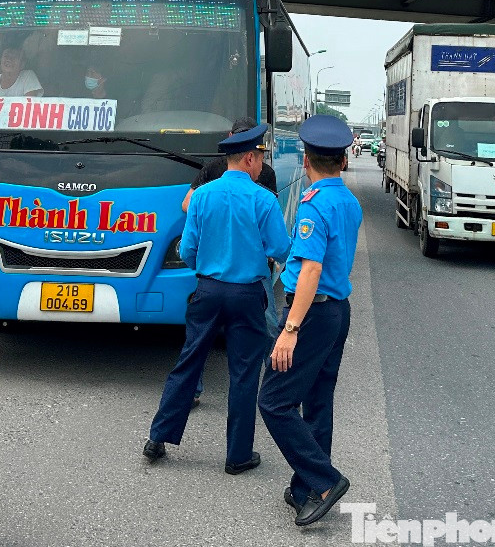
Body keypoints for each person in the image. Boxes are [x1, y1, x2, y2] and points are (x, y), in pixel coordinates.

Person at [143, 124, 291, 475]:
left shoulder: (203, 195)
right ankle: (238, 456)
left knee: (189, 362)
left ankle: (158, 437)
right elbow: (280, 249)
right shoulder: (264, 199)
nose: (261, 166)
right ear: (250, 158)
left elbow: (189, 251)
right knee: (242, 372)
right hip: (247, 294)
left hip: (207, 290)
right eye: (260, 159)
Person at [258, 115, 362, 528]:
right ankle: (305, 489)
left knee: (274, 401)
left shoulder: (314, 205)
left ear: (306, 160)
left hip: (313, 313)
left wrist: (289, 329)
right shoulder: (348, 201)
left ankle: (325, 481)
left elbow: (310, 270)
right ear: (343, 161)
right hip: (337, 312)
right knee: (317, 400)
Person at [181, 118, 281, 405]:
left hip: (213, 278)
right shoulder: (214, 170)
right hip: (250, 279)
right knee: (255, 345)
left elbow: (189, 215)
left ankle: (276, 386)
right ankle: (275, 396)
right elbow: (274, 238)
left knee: (197, 342)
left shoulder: (263, 173)